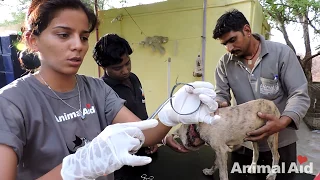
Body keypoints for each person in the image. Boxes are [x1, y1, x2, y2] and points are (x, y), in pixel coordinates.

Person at [0, 0, 220, 179]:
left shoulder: (96, 88)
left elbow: (142, 134)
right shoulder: (11, 102)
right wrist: (74, 169)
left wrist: (171, 113)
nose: (78, 45)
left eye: (84, 37)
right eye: (63, 34)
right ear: (33, 40)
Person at [212, 9, 310, 179]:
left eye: (232, 40)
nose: (229, 48)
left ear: (247, 30)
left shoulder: (282, 54)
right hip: (243, 144)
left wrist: (281, 122)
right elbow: (221, 96)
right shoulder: (224, 64)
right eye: (225, 44)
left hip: (282, 143)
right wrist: (218, 104)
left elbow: (299, 93)